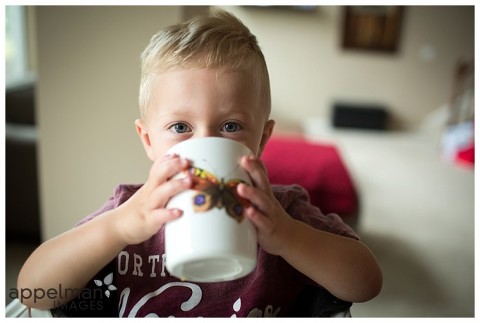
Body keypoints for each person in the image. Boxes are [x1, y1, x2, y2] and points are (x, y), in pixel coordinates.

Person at [17, 8, 382, 317]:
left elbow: (366, 283)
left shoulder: (283, 210)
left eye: (231, 126)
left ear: (262, 140)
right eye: (180, 127)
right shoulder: (129, 210)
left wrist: (288, 237)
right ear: (148, 140)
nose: (204, 144)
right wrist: (118, 229)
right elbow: (32, 292)